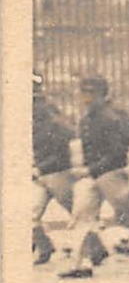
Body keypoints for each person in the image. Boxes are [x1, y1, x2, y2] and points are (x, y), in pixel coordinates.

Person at [59, 75, 129, 277]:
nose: (87, 97)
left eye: (92, 93)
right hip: (92, 175)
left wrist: (90, 170)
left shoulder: (113, 118)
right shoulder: (85, 119)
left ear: (103, 94)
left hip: (112, 174)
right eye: (84, 92)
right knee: (82, 217)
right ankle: (82, 264)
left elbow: (117, 154)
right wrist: (88, 170)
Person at [32, 74, 76, 265]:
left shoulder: (50, 114)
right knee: (30, 214)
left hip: (58, 172)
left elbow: (66, 138)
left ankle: (97, 249)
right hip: (42, 173)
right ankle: (44, 248)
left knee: (78, 214)